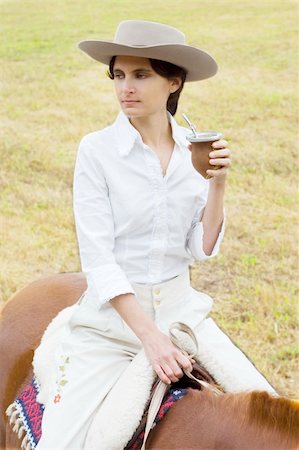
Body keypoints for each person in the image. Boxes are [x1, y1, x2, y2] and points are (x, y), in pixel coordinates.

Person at [36, 20, 275, 450]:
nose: (126, 87)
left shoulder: (193, 148)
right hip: (110, 326)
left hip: (183, 313)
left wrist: (217, 183)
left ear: (174, 81)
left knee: (270, 417)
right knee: (62, 444)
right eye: (119, 75)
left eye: (141, 74)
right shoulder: (96, 150)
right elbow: (99, 259)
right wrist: (151, 339)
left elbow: (199, 250)